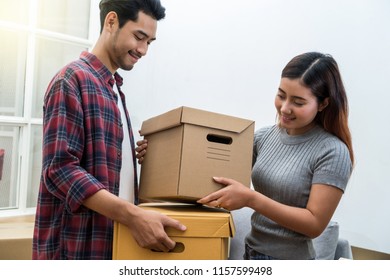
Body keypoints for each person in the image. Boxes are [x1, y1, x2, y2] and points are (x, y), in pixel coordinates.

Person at [33, 0, 186, 260]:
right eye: (139, 37)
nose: (144, 50)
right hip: (74, 251)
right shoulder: (71, 80)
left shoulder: (114, 89)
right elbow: (60, 169)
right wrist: (133, 215)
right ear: (111, 22)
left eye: (150, 42)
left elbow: (101, 167)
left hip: (109, 245)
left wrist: (132, 158)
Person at [197, 52, 354, 260]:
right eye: (281, 95)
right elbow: (216, 173)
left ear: (323, 104)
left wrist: (251, 199)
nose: (285, 108)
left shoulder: (333, 151)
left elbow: (314, 225)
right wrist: (158, 158)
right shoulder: (263, 137)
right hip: (251, 253)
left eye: (298, 102)